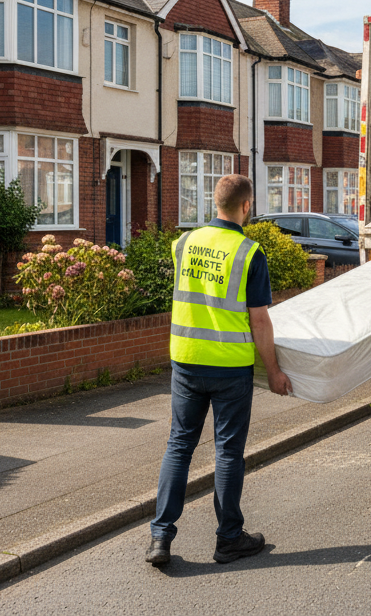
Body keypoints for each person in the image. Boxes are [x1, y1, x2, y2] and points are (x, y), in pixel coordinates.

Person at [146, 174, 292, 567]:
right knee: (228, 453)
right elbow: (259, 321)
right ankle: (228, 539)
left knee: (179, 446)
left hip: (186, 359)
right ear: (246, 206)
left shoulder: (184, 243)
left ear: (215, 202)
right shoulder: (249, 252)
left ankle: (161, 537)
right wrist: (275, 370)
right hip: (229, 368)